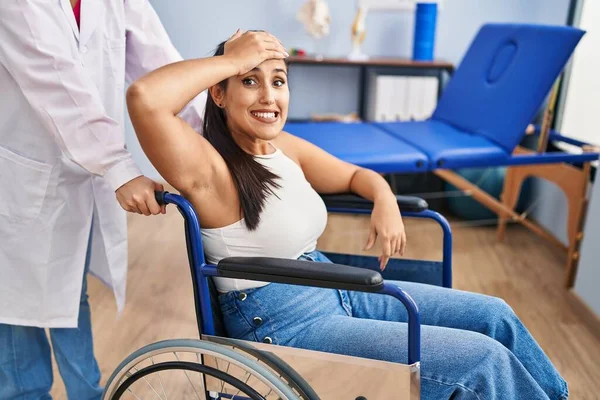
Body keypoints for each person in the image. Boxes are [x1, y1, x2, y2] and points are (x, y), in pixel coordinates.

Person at [126, 30, 569, 399]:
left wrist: (385, 199)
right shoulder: (212, 172)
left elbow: (357, 175)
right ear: (219, 94)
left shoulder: (285, 150)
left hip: (332, 284)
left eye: (278, 81)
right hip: (285, 324)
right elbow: (145, 98)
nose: (268, 95)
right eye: (248, 81)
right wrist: (230, 60)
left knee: (496, 315)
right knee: (481, 362)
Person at [0, 0, 206, 398]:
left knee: (67, 286)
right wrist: (118, 165)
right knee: (14, 304)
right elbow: (56, 82)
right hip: (20, 173)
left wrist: (216, 139)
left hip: (77, 170)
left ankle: (87, 393)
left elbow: (159, 61)